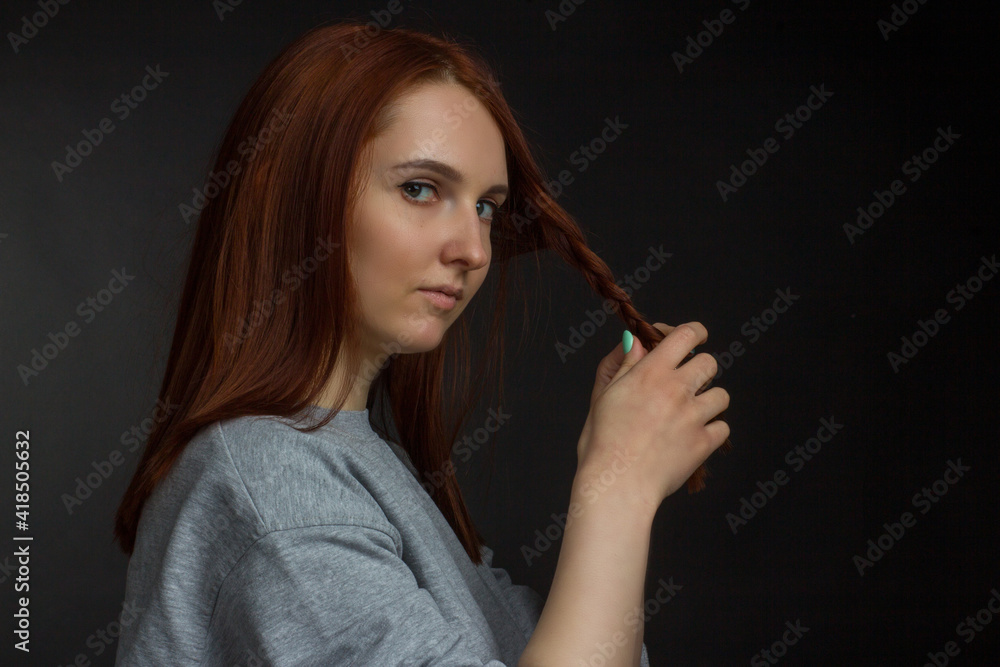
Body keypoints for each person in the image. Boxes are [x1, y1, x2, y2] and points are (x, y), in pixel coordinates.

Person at [113, 21, 730, 667]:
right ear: (292, 194)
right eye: (420, 188)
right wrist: (619, 482)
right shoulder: (271, 481)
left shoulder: (350, 462)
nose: (472, 248)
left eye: (486, 206)